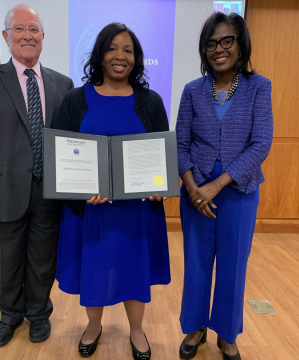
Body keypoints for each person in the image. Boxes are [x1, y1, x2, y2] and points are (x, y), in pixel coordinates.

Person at [51, 22, 171, 359]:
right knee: (94, 268)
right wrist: (78, 191)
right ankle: (93, 326)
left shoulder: (150, 101)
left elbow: (161, 154)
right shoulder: (76, 99)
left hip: (135, 212)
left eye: (128, 50)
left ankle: (137, 330)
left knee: (134, 268)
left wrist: (159, 186)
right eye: (113, 48)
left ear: (136, 58)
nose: (120, 56)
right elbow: (60, 153)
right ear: (100, 54)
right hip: (91, 209)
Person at [0, 4, 73, 347]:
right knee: (4, 260)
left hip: (49, 192)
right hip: (2, 190)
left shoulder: (62, 83)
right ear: (6, 36)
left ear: (43, 36)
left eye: (34, 29)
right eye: (20, 29)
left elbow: (70, 142)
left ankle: (39, 313)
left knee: (43, 259)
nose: (28, 36)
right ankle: (9, 315)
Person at [176, 12, 273, 360]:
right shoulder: (192, 91)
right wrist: (192, 188)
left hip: (239, 191)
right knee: (197, 263)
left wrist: (215, 186)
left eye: (226, 41)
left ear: (241, 44)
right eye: (211, 43)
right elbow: (180, 145)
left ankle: (227, 334)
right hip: (194, 193)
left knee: (233, 265)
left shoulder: (259, 87)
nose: (218, 49)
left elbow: (261, 143)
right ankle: (195, 326)